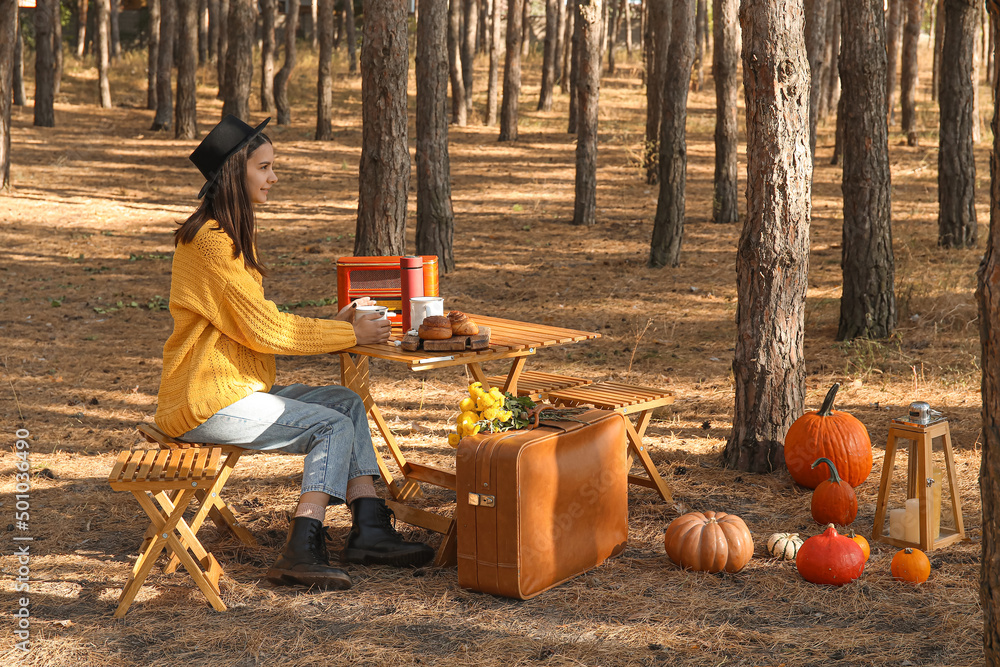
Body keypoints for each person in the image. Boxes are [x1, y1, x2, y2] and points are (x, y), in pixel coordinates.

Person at [153, 115, 433, 591]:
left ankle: (368, 528)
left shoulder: (227, 234)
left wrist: (334, 326)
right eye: (264, 167)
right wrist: (348, 336)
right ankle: (301, 547)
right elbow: (266, 330)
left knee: (345, 403)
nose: (273, 177)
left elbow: (255, 318)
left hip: (237, 389)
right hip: (204, 401)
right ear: (235, 172)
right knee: (331, 424)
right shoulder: (211, 244)